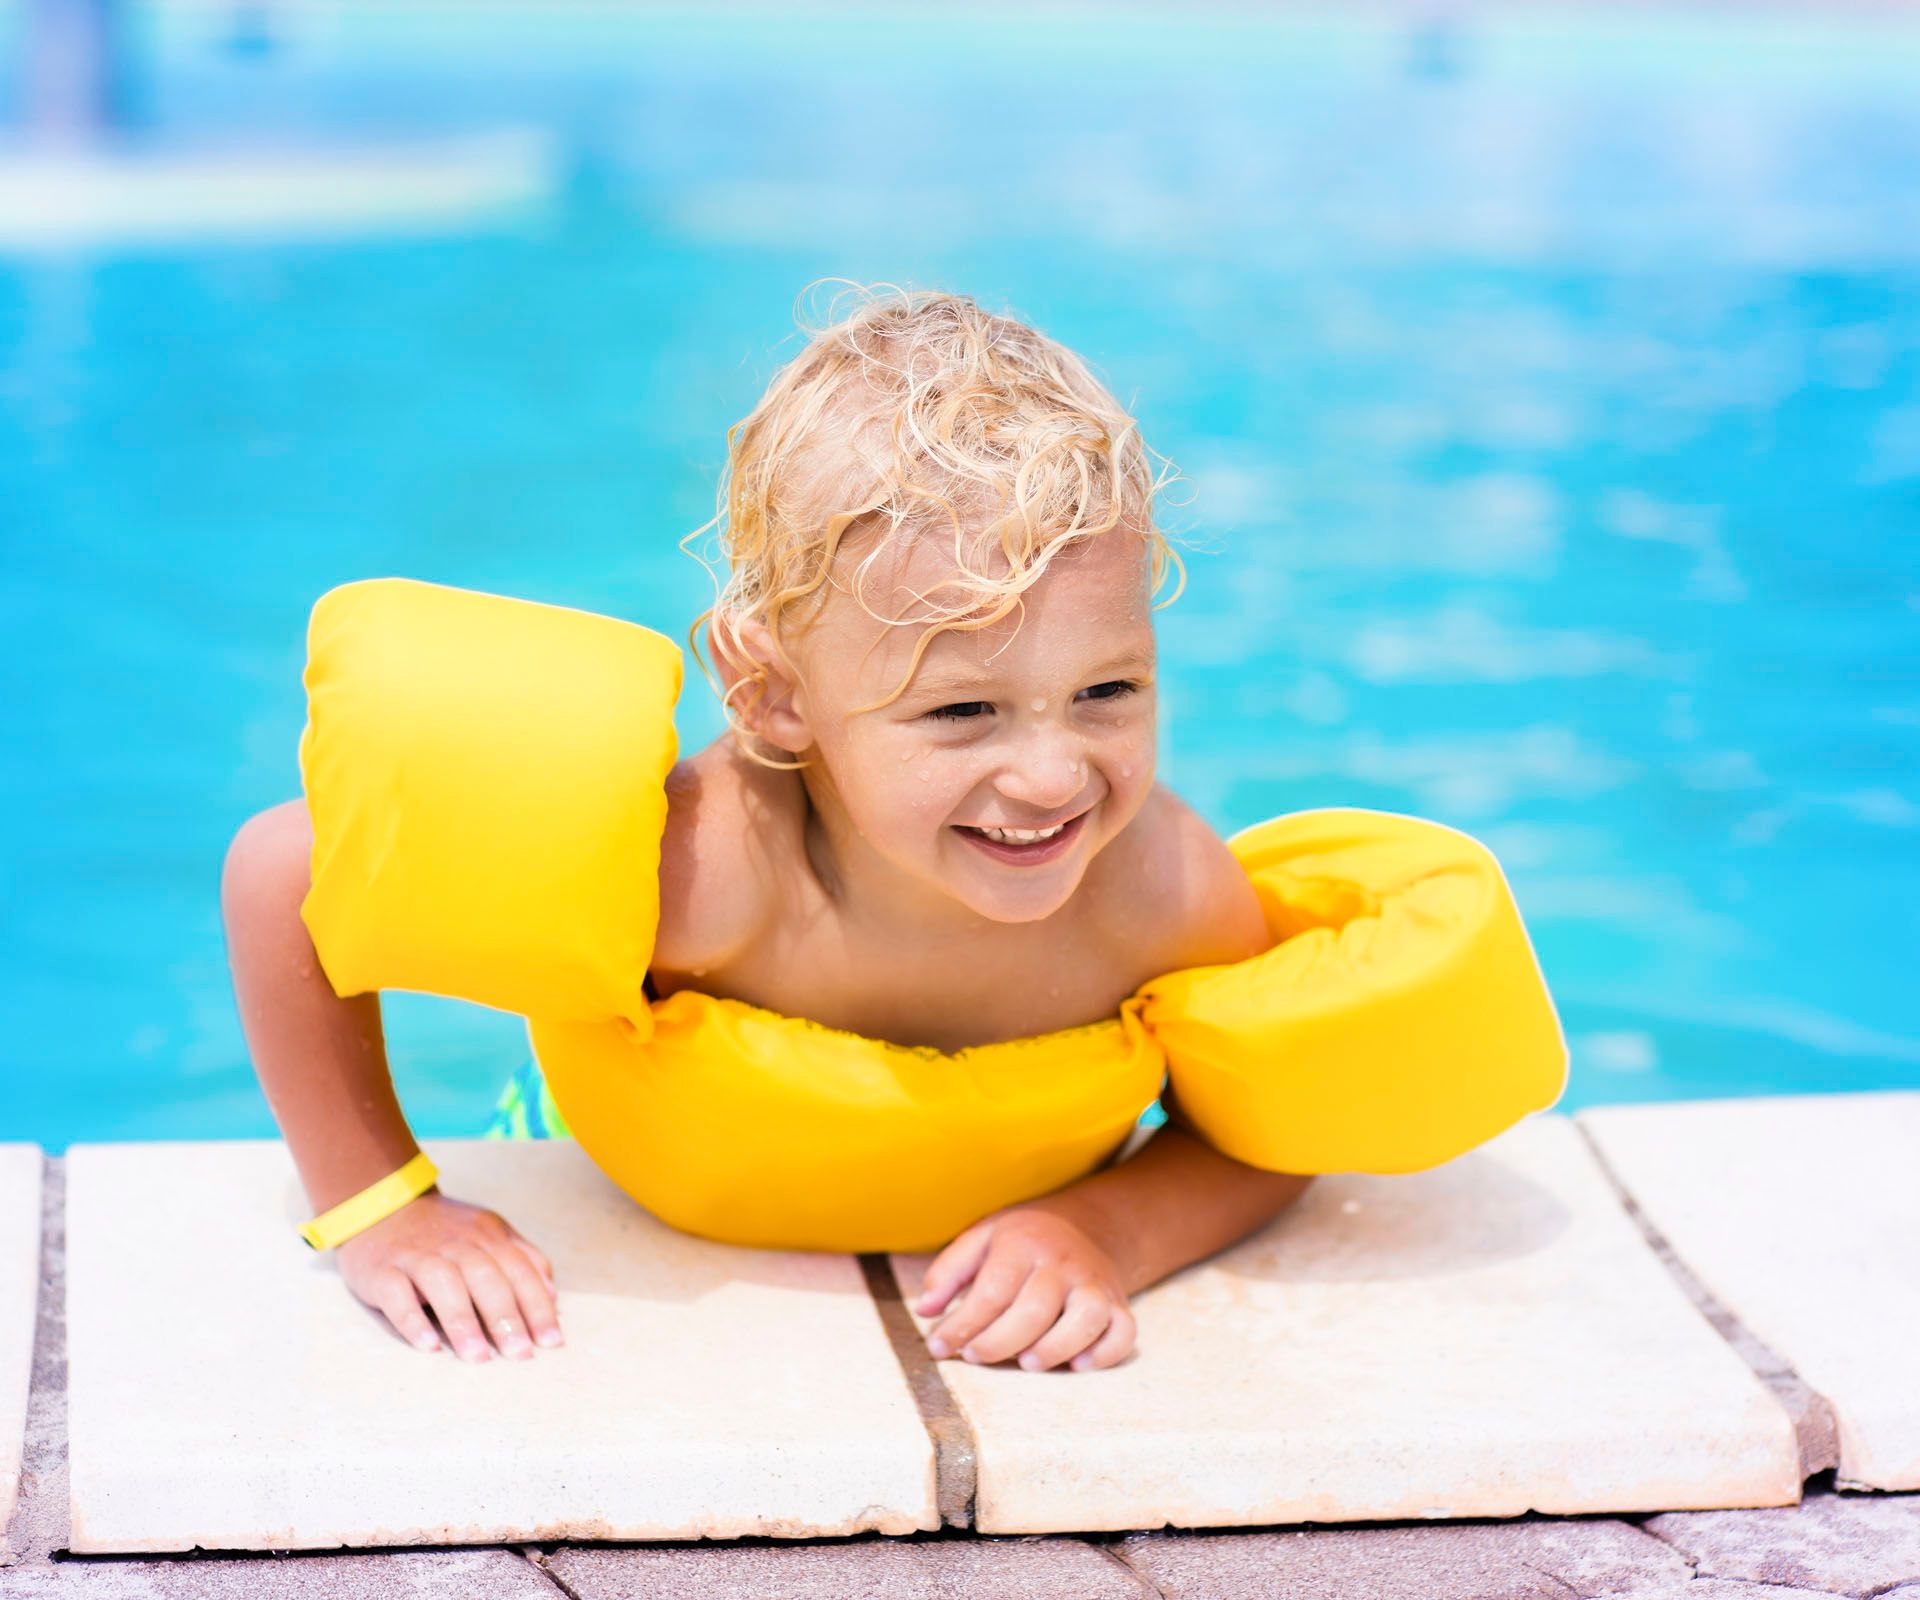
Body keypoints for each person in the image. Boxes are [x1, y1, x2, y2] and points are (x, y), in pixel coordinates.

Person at [222, 285, 1548, 1381]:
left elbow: (1269, 1123)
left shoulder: (1160, 897)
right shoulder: (698, 875)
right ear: (779, 698)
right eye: (963, 709)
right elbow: (284, 872)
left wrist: (1107, 1230)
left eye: (1109, 691)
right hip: (599, 1146)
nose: (1051, 775)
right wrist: (382, 1207)